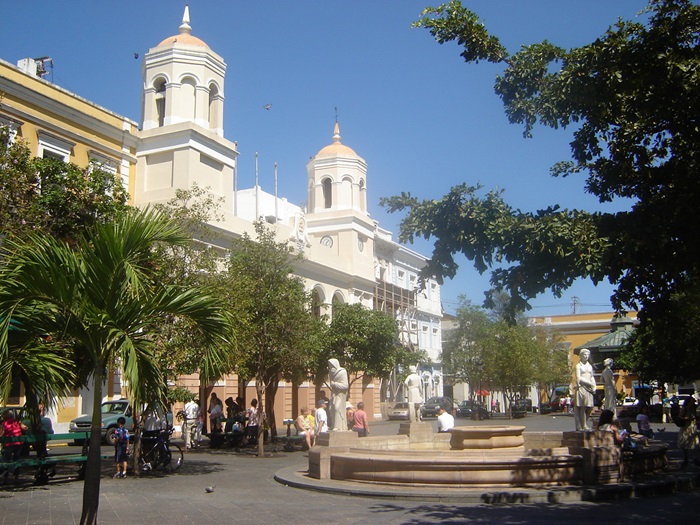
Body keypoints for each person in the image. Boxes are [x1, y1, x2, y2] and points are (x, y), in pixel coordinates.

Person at [0, 409, 28, 483]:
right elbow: (25, 427)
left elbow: (1, 434)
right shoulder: (16, 421)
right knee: (17, 459)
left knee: (7, 459)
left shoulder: (4, 423)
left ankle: (6, 475)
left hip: (9, 444)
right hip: (19, 443)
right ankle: (16, 475)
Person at [574, 348, 596, 431]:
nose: (586, 356)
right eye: (584, 355)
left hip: (589, 389)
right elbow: (578, 377)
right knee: (582, 407)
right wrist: (589, 383)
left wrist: (594, 386)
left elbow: (592, 376)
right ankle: (583, 425)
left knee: (590, 407)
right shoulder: (578, 366)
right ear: (581, 356)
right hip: (582, 387)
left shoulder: (589, 366)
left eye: (587, 355)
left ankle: (584, 423)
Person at [328, 359, 349, 431]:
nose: (330, 367)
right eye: (329, 366)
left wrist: (335, 384)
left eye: (331, 365)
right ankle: (333, 424)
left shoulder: (342, 372)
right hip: (334, 394)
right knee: (331, 409)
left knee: (337, 408)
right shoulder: (331, 373)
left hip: (341, 394)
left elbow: (345, 386)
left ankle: (338, 426)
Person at [676, 396, 698, 469]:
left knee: (695, 444)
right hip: (686, 427)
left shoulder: (693, 409)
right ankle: (686, 459)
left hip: (692, 427)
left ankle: (695, 459)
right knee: (685, 444)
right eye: (692, 401)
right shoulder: (684, 409)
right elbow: (679, 417)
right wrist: (687, 418)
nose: (693, 403)